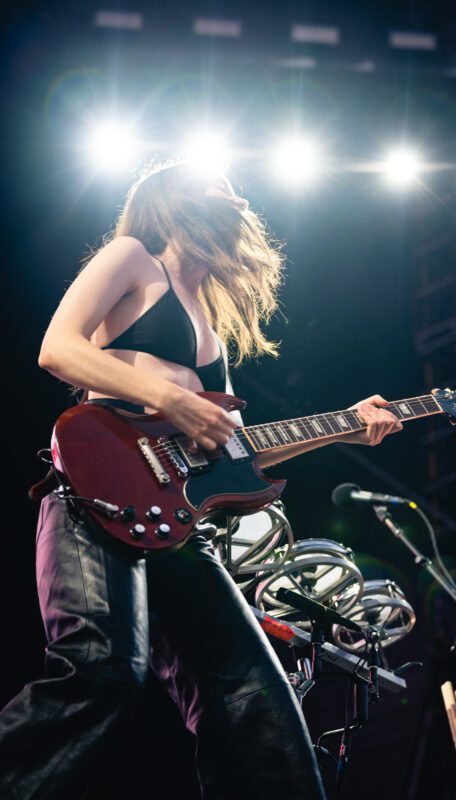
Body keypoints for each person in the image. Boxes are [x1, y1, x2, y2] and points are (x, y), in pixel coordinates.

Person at [0, 160, 403, 800]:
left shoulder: (210, 330)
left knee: (262, 711)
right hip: (95, 489)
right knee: (102, 670)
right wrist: (173, 398)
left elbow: (232, 456)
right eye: (217, 185)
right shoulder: (133, 256)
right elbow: (59, 348)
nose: (237, 195)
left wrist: (346, 428)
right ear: (174, 198)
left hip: (177, 525)